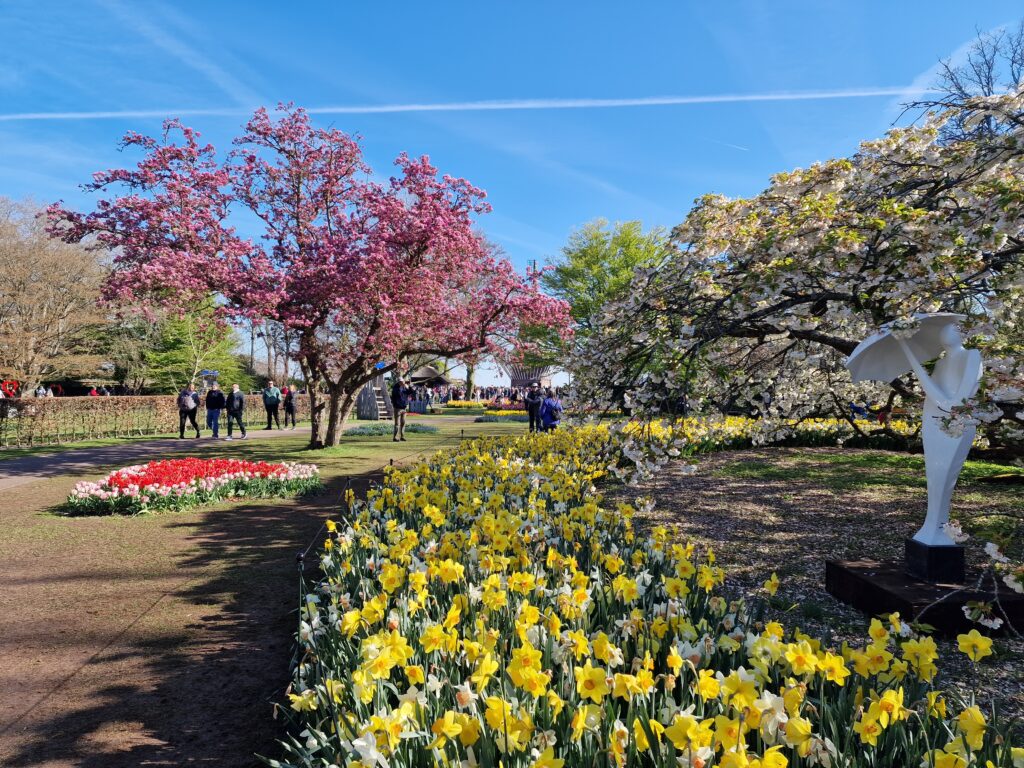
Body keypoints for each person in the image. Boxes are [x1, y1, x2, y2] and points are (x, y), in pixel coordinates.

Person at [390, 376, 415, 442]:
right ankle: (395, 437)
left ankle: (402, 436)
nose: (402, 382)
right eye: (401, 381)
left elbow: (410, 392)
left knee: (403, 423)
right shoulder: (396, 388)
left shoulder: (404, 387)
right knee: (397, 424)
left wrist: (409, 386)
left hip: (404, 408)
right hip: (398, 408)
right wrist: (404, 386)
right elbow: (399, 395)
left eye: (402, 381)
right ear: (398, 382)